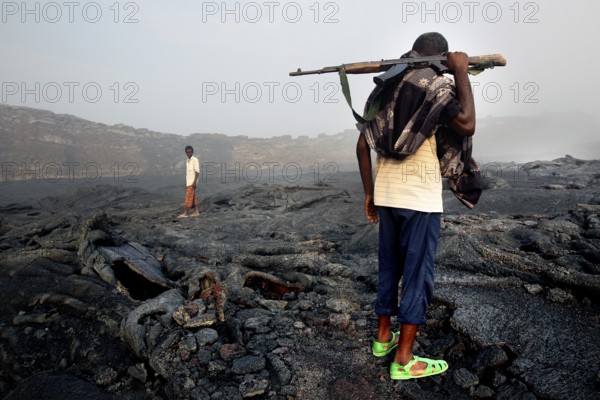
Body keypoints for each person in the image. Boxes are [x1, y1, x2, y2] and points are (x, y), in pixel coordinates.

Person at [356, 32, 475, 380]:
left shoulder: (387, 83)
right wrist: (462, 73)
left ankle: (383, 338)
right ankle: (404, 359)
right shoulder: (434, 85)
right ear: (441, 57)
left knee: (389, 268)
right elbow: (466, 124)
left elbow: (362, 146)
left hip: (388, 196)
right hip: (419, 201)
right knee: (417, 277)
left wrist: (369, 193)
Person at [178, 145, 201, 218]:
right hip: (189, 182)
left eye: (190, 152)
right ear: (185, 153)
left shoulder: (195, 160)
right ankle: (196, 211)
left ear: (192, 152)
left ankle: (186, 213)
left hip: (192, 182)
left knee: (188, 197)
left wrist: (194, 182)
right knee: (193, 197)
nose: (189, 154)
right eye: (187, 152)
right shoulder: (187, 161)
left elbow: (197, 172)